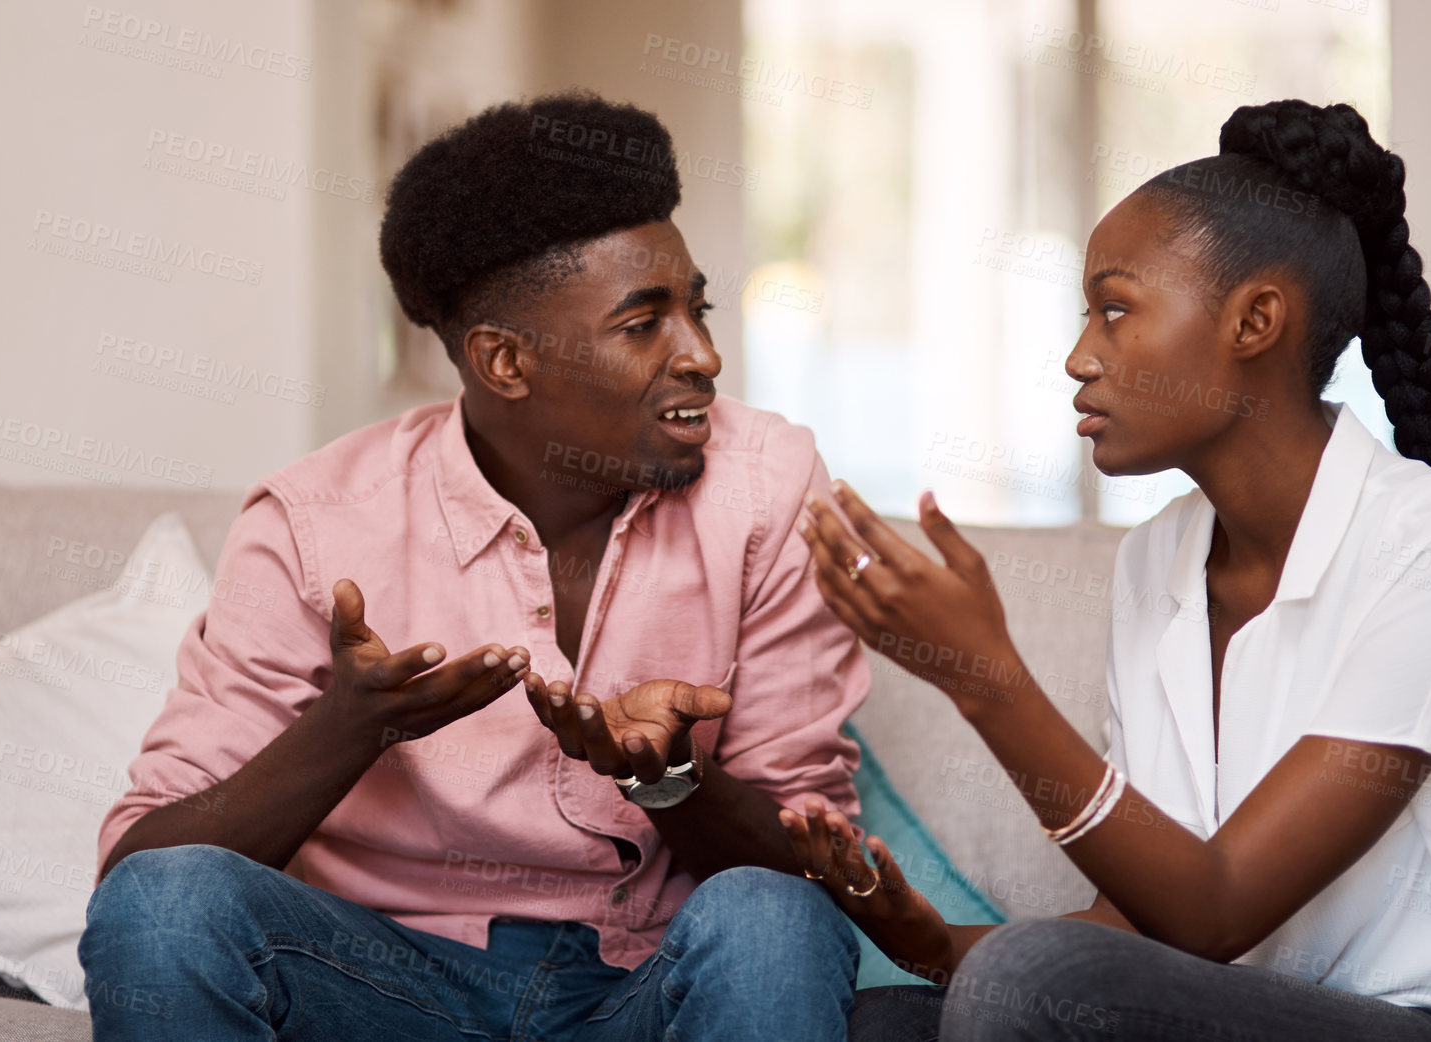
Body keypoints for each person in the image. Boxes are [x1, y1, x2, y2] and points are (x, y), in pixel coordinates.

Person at [782, 99, 1431, 1041]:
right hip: (1267, 1013)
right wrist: (930, 943)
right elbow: (1148, 923)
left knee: (1023, 978)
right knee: (887, 1022)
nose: (1079, 357)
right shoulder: (1157, 559)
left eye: (1115, 309)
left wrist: (984, 679)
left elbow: (1216, 911)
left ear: (1254, 320)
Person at [77, 92, 867, 1042]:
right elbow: (141, 867)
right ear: (503, 361)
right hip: (374, 982)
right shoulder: (314, 522)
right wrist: (349, 726)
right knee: (166, 904)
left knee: (775, 921)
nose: (703, 355)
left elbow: (817, 876)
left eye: (694, 308)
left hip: (641, 986)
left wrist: (667, 779)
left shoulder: (769, 487)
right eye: (643, 322)